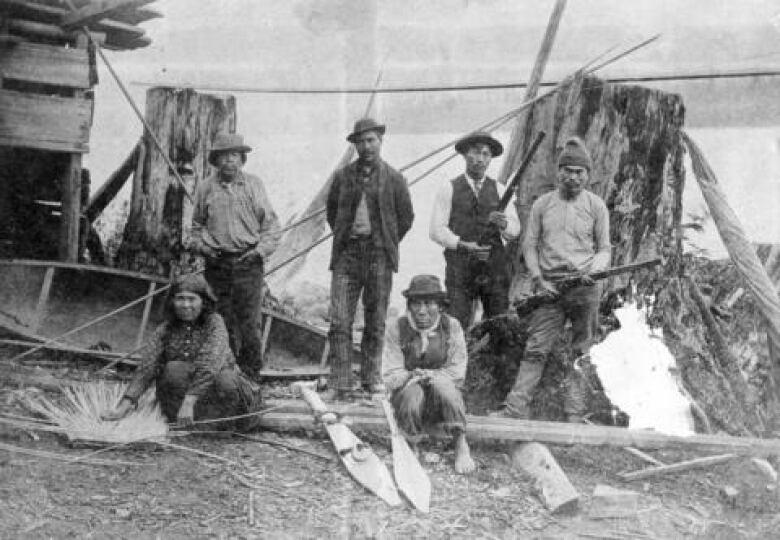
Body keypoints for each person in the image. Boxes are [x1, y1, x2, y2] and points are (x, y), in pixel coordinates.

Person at [497, 137, 611, 422]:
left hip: (585, 288)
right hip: (549, 287)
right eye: (567, 170)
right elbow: (529, 245)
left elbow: (605, 249)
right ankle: (514, 410)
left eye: (579, 172)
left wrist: (594, 270)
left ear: (588, 175)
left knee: (582, 350)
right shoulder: (542, 204)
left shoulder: (596, 206)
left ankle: (575, 414)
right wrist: (538, 278)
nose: (572, 177)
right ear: (558, 172)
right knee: (536, 349)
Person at [325, 118, 415, 400]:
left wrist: (386, 241)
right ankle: (340, 381)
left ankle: (371, 378)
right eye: (361, 141)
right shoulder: (342, 177)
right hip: (347, 255)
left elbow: (406, 217)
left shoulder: (395, 178)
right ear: (354, 145)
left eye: (371, 140)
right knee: (340, 320)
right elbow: (332, 213)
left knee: (376, 320)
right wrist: (347, 236)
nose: (366, 146)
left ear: (381, 141)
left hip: (379, 256)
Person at [101, 275, 263, 430]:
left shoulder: (214, 322)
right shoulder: (166, 329)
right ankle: (182, 424)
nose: (186, 305)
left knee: (225, 379)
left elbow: (210, 363)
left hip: (220, 395)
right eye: (180, 298)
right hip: (187, 400)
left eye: (192, 299)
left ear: (203, 302)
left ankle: (222, 428)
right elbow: (147, 367)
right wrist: (124, 406)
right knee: (172, 370)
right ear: (172, 302)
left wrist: (189, 402)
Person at [190, 133, 281, 376]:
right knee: (220, 320)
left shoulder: (254, 185)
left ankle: (251, 375)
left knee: (250, 323)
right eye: (223, 156)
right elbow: (195, 228)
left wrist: (258, 253)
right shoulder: (206, 187)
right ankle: (224, 373)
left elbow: (271, 227)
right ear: (216, 160)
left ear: (241, 159)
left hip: (248, 262)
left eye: (234, 156)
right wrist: (204, 249)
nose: (229, 161)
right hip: (217, 264)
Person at [382, 274, 475, 474]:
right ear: (409, 306)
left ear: (441, 306)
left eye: (429, 304)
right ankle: (411, 444)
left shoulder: (451, 326)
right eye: (416, 304)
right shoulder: (396, 327)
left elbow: (458, 370)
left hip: (440, 401)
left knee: (445, 387)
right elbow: (391, 374)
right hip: (408, 394)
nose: (422, 311)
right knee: (412, 394)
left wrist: (432, 376)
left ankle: (460, 443)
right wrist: (411, 376)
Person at [429, 131, 520, 330]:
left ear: (490, 159)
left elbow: (514, 231)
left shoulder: (500, 189)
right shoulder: (449, 188)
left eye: (486, 154)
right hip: (460, 268)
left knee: (499, 323)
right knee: (456, 323)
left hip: (494, 268)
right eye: (475, 153)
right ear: (465, 155)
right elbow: (436, 230)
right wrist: (463, 245)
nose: (480, 159)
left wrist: (503, 223)